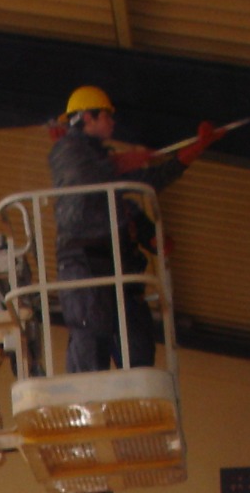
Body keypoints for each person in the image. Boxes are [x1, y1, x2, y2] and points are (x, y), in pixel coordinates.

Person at [48, 86, 221, 373]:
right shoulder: (67, 150)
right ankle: (88, 398)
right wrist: (121, 162)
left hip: (115, 265)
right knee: (91, 334)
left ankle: (133, 391)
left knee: (134, 339)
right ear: (88, 118)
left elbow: (150, 179)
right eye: (107, 116)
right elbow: (83, 176)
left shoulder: (103, 170)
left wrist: (196, 149)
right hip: (84, 261)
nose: (112, 123)